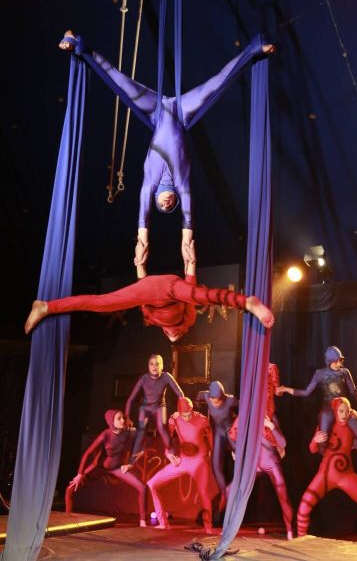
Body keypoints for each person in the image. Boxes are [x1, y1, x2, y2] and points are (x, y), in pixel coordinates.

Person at [58, 30, 276, 271]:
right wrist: (187, 252)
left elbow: (143, 217)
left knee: (118, 80)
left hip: (156, 111)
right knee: (216, 84)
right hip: (181, 113)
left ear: (156, 200)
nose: (167, 204)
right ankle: (254, 48)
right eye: (170, 206)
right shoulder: (182, 185)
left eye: (162, 206)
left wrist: (142, 249)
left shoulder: (149, 184)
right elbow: (188, 217)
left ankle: (79, 44)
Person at [24, 240, 275, 341]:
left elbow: (141, 294)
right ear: (180, 331)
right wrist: (191, 262)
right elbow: (192, 294)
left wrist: (140, 264)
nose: (173, 336)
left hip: (149, 289)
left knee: (99, 303)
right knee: (205, 296)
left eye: (170, 336)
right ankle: (247, 302)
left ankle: (46, 306)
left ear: (165, 333)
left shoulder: (152, 319)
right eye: (176, 336)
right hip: (172, 289)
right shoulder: (187, 321)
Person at [297, 397, 357, 544]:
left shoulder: (352, 426)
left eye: (347, 411)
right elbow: (312, 450)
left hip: (347, 475)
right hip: (325, 475)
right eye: (341, 411)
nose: (344, 414)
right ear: (335, 411)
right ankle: (298, 543)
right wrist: (314, 441)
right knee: (304, 506)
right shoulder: (326, 426)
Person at [277, 346, 357, 452]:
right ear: (329, 361)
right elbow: (306, 392)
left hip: (344, 407)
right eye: (336, 361)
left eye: (340, 360)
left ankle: (343, 450)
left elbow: (353, 391)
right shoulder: (320, 373)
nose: (339, 364)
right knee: (322, 443)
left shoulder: (344, 372)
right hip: (328, 407)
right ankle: (329, 456)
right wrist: (286, 389)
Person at [65, 409, 146, 526]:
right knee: (69, 490)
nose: (122, 420)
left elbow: (140, 444)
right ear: (111, 421)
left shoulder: (127, 433)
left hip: (117, 468)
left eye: (123, 418)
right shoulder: (106, 435)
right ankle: (67, 518)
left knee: (142, 487)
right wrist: (79, 474)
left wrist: (130, 463)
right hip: (100, 467)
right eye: (119, 418)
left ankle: (143, 521)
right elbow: (87, 453)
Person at [147, 397, 215, 534]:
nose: (187, 417)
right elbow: (168, 440)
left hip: (199, 462)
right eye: (184, 415)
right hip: (182, 462)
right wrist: (168, 454)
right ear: (179, 412)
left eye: (190, 414)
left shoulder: (202, 420)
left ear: (193, 409)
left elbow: (211, 438)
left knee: (204, 494)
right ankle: (163, 523)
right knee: (152, 484)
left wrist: (211, 455)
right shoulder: (174, 419)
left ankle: (208, 527)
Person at [228, 412, 294, 540]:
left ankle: (289, 530)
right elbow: (231, 434)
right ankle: (229, 527)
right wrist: (236, 450)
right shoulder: (245, 415)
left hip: (271, 462)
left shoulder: (269, 416)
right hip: (254, 463)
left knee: (283, 495)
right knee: (231, 489)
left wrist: (271, 425)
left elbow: (282, 443)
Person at [125, 354, 183, 466]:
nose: (154, 366)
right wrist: (127, 417)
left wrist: (181, 410)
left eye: (157, 364)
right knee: (141, 430)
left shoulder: (166, 376)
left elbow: (180, 394)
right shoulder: (143, 379)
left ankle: (172, 453)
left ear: (162, 366)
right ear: (148, 366)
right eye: (151, 364)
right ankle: (132, 460)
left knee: (162, 427)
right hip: (145, 407)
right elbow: (130, 399)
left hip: (160, 406)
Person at [196, 380, 238, 512]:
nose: (214, 403)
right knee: (215, 465)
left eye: (217, 401)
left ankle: (238, 492)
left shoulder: (230, 400)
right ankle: (224, 493)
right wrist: (197, 406)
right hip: (219, 432)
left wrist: (237, 424)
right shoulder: (206, 395)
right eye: (212, 400)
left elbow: (246, 408)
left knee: (240, 458)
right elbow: (199, 396)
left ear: (222, 397)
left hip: (231, 430)